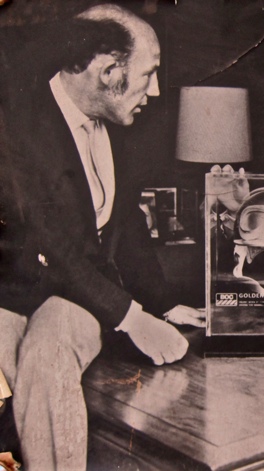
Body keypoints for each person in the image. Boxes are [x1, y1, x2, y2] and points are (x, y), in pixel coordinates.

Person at [0, 5, 203, 470]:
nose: (156, 90)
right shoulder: (17, 124)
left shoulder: (122, 127)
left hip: (77, 296)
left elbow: (126, 228)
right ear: (108, 71)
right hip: (15, 293)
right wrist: (133, 319)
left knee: (50, 354)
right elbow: (52, 244)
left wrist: (163, 304)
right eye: (148, 73)